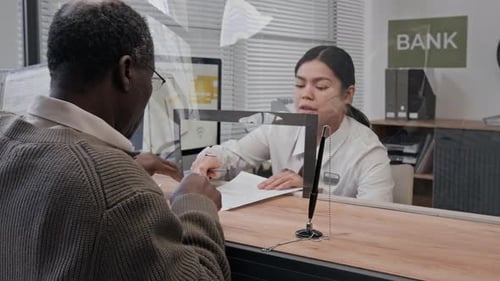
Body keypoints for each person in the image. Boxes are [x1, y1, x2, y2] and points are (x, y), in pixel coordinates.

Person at [0, 1, 230, 280]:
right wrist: (195, 204)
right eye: (153, 78)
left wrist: (122, 163)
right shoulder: (113, 184)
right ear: (127, 71)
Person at [192, 45, 394, 202]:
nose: (305, 94)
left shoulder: (368, 151)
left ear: (347, 95)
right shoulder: (281, 126)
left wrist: (312, 191)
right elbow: (234, 155)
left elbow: (378, 219)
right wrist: (213, 159)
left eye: (321, 86)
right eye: (299, 84)